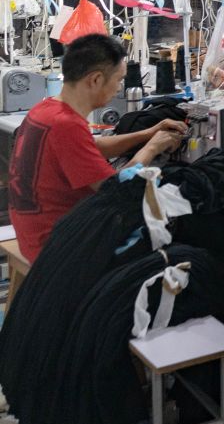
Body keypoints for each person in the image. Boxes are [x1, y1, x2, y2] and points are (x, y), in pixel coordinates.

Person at [7, 34, 185, 262]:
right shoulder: (66, 125)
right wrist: (151, 148)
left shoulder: (46, 110)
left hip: (35, 236)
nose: (119, 88)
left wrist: (148, 133)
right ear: (96, 80)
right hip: (59, 250)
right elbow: (118, 189)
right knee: (183, 242)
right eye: (119, 80)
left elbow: (93, 147)